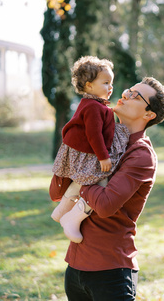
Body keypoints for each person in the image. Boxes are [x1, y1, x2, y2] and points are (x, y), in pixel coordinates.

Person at [49, 76, 164, 301]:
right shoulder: (102, 138)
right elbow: (62, 186)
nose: (125, 94)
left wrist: (83, 180)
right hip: (75, 266)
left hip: (110, 271)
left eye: (136, 95)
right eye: (128, 90)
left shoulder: (141, 154)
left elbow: (105, 205)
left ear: (148, 114)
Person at [50, 55, 130, 244]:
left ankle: (62, 210)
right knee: (98, 184)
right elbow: (94, 134)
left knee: (82, 181)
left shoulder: (95, 105)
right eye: (105, 82)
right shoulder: (93, 107)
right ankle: (72, 218)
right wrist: (103, 157)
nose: (110, 87)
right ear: (88, 85)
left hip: (85, 151)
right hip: (88, 153)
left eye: (111, 82)